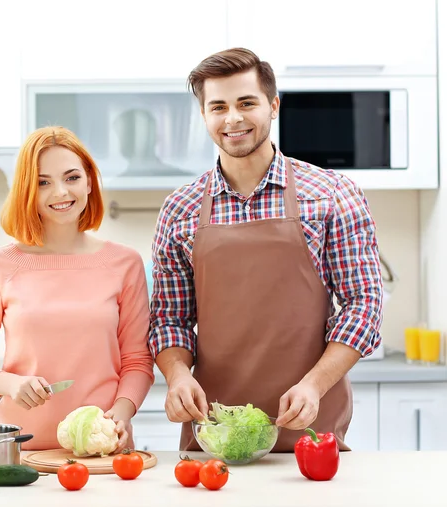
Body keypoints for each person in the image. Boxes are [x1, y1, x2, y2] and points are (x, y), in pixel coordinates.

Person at [148, 48, 384, 452]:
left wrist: (314, 385)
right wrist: (178, 377)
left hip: (310, 425)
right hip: (213, 430)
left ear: (273, 106)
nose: (233, 118)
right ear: (204, 116)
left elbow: (364, 302)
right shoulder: (180, 208)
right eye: (218, 106)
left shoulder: (330, 194)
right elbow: (169, 318)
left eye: (246, 103)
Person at [0, 126, 155, 451]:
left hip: (105, 452)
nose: (60, 192)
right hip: (24, 452)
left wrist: (121, 413)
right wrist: (9, 383)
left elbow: (137, 360)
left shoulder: (125, 263)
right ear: (27, 190)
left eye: (72, 177)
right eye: (43, 182)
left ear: (89, 181)